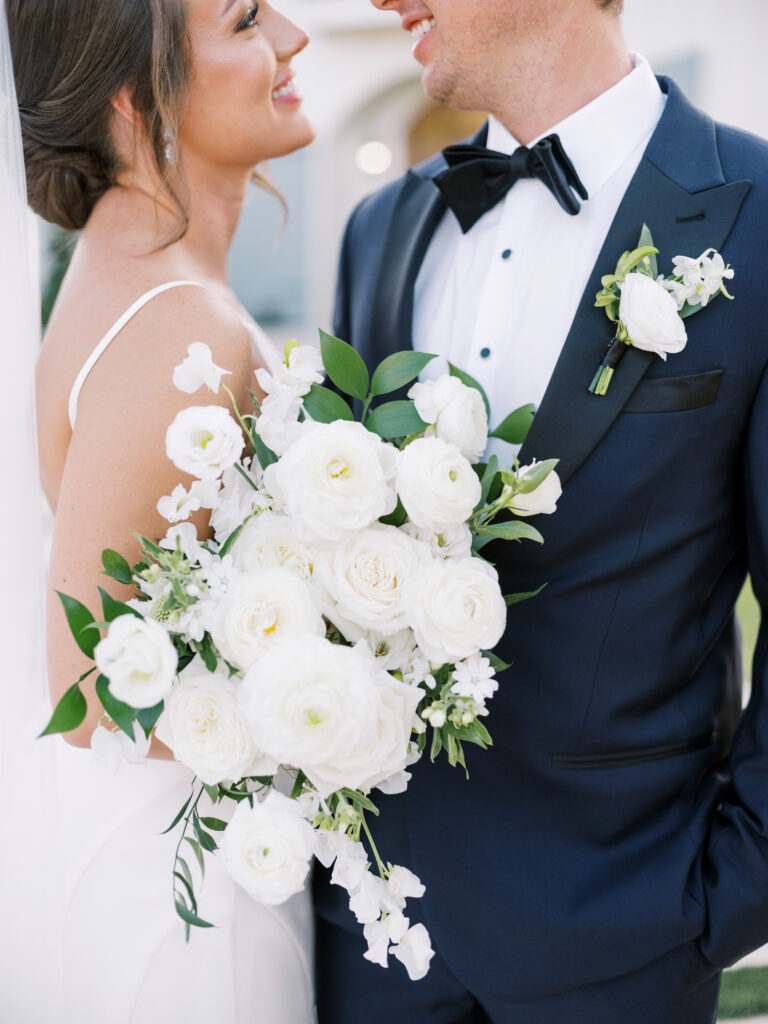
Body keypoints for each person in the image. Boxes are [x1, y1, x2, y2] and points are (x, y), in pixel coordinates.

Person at [314, 1, 768, 1021]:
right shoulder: (381, 230)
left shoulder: (761, 214)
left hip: (630, 935)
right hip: (371, 933)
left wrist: (729, 895)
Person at [2, 1, 316, 1021]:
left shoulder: (144, 275)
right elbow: (93, 687)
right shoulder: (175, 319)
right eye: (245, 20)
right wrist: (346, 689)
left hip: (202, 856)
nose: (294, 37)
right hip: (188, 902)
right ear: (141, 103)